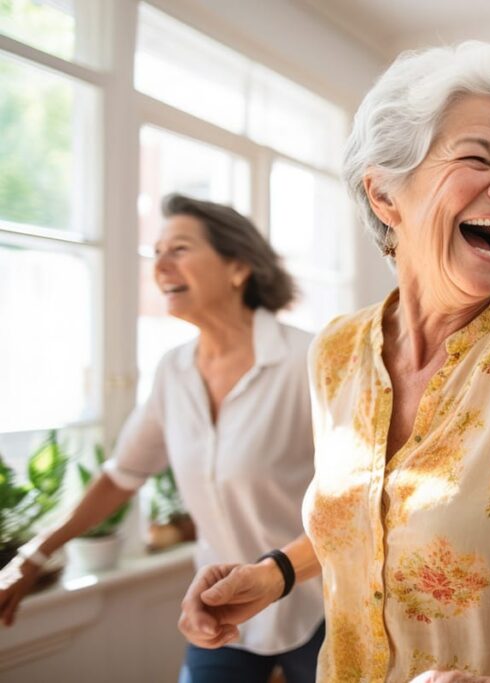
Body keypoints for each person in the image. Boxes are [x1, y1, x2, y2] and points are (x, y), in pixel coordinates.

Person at [177, 41, 490, 683]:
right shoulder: (335, 354)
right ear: (386, 195)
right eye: (479, 159)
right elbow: (370, 519)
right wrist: (272, 575)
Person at [0, 195, 324, 683]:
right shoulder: (173, 371)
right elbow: (121, 476)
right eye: (156, 253)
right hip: (219, 607)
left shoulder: (310, 359)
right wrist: (35, 554)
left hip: (319, 604)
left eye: (179, 248)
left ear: (238, 268)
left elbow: (355, 492)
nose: (160, 265)